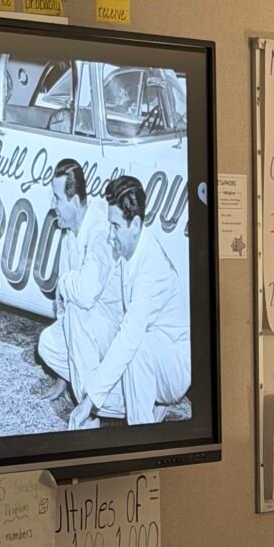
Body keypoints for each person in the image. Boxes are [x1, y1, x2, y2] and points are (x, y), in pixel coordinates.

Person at [67, 175, 191, 429]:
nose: (110, 235)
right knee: (79, 310)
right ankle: (104, 404)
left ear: (135, 224)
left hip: (173, 368)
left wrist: (90, 400)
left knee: (135, 346)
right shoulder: (129, 247)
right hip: (146, 351)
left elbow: (129, 337)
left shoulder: (151, 269)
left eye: (115, 226)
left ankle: (141, 433)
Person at [38, 159, 122, 409]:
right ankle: (88, 382)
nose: (53, 207)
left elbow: (83, 294)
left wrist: (64, 282)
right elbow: (61, 306)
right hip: (88, 326)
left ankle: (97, 406)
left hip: (114, 331)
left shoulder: (100, 231)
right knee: (47, 344)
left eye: (57, 199)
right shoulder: (69, 231)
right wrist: (62, 376)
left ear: (74, 202)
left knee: (76, 309)